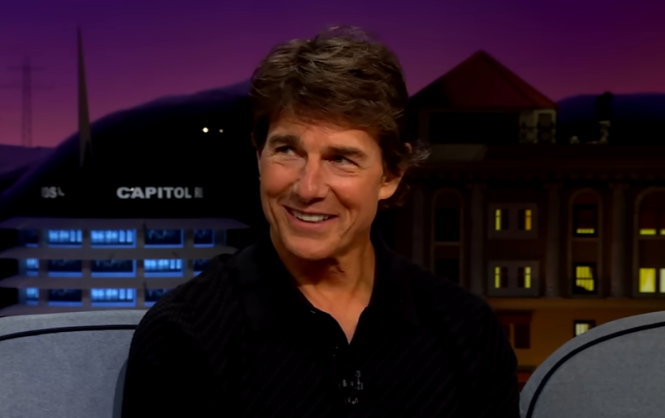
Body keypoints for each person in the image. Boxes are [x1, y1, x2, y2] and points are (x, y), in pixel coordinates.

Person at [121, 26, 519, 418]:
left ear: (391, 174)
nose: (308, 188)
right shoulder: (185, 335)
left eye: (340, 159)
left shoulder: (468, 330)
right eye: (287, 150)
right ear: (258, 154)